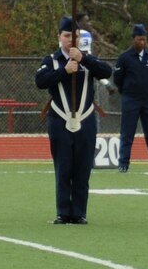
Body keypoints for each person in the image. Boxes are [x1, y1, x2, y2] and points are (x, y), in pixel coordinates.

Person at [36, 16, 111, 225]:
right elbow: (40, 81)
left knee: (82, 167)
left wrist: (83, 59)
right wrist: (64, 71)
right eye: (68, 36)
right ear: (60, 37)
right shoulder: (51, 60)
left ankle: (79, 212)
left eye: (75, 36)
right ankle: (63, 211)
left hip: (85, 119)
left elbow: (107, 71)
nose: (71, 40)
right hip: (59, 118)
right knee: (63, 166)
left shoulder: (88, 60)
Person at [112, 23, 148, 174]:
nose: (142, 42)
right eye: (139, 39)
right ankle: (123, 163)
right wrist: (128, 91)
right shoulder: (125, 57)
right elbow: (118, 78)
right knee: (127, 132)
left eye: (144, 39)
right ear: (134, 39)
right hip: (131, 99)